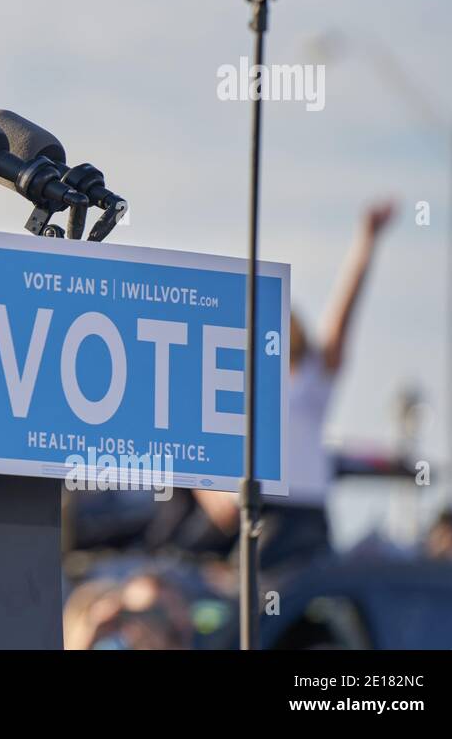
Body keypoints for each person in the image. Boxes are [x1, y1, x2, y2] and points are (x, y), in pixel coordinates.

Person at [167, 202, 396, 573]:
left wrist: (367, 239)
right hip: (248, 507)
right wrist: (214, 495)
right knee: (181, 562)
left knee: (262, 586)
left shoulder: (313, 380)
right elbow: (197, 452)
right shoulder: (236, 386)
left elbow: (344, 313)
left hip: (297, 513)